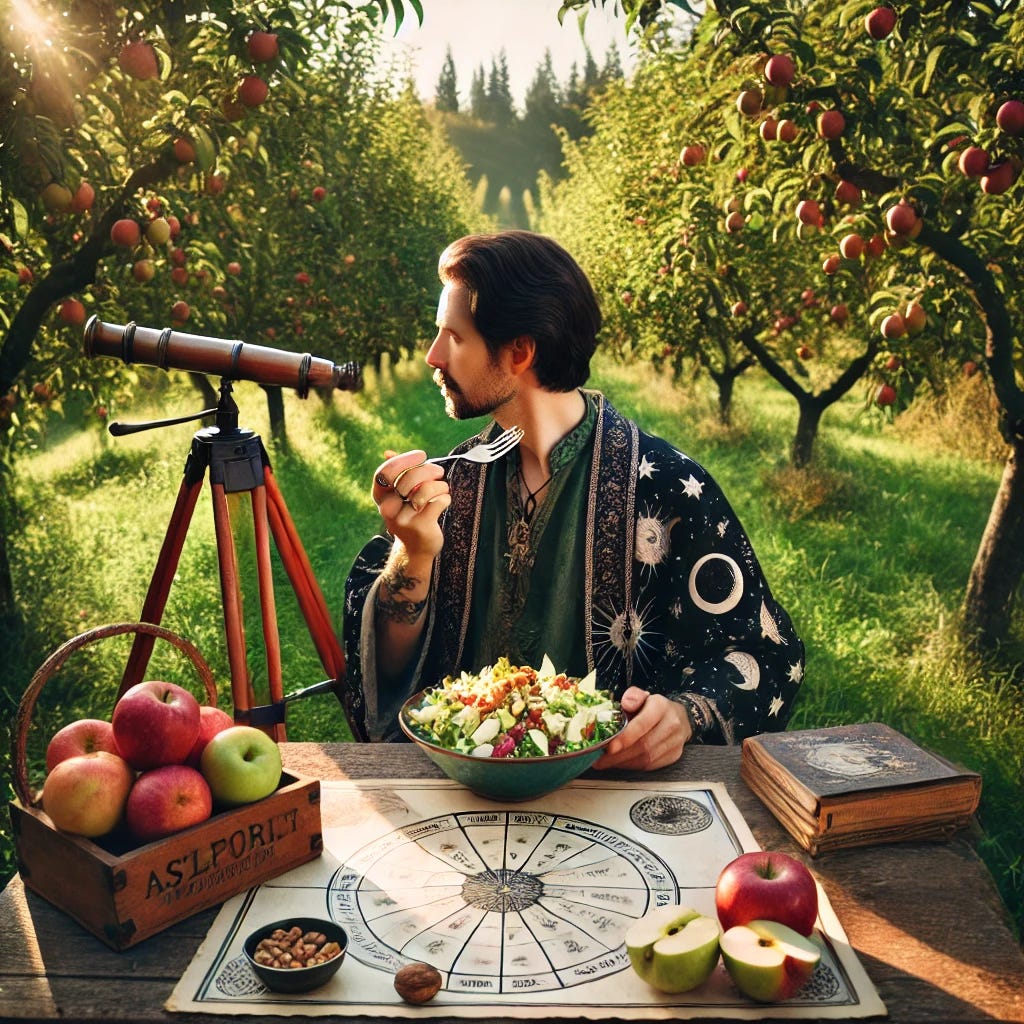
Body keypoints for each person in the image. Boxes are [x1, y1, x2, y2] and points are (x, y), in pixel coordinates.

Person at [341, 230, 804, 769]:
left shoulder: (665, 492)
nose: (431, 355)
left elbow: (762, 652)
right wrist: (413, 554)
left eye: (454, 337)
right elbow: (390, 674)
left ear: (520, 352)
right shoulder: (454, 485)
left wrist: (683, 716)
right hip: (461, 791)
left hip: (612, 799)